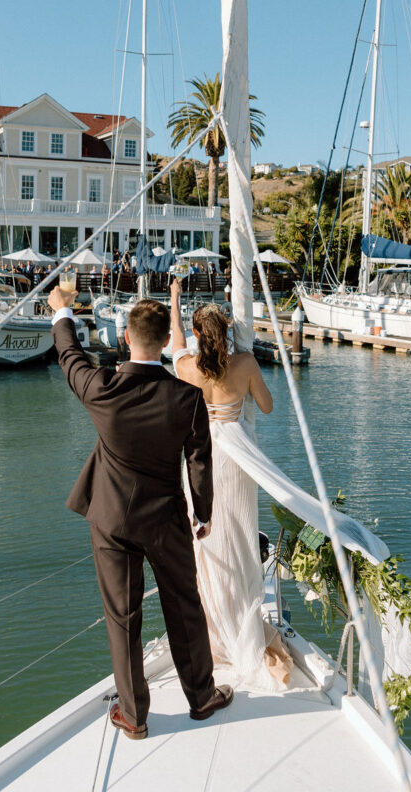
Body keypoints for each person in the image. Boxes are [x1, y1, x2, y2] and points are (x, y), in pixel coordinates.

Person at [48, 284, 233, 740]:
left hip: (110, 519)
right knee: (184, 607)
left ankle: (134, 716)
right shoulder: (187, 399)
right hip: (167, 519)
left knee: (123, 617)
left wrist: (63, 311)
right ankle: (202, 697)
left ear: (126, 339)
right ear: (167, 343)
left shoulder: (101, 388)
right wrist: (204, 514)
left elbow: (70, 355)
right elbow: (199, 460)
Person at [169, 277, 293, 688]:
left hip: (205, 460)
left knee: (209, 545)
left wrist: (173, 297)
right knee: (240, 540)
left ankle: (216, 629)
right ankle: (244, 617)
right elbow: (268, 407)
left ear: (199, 335)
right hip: (239, 460)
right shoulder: (245, 365)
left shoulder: (190, 369)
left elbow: (174, 343)